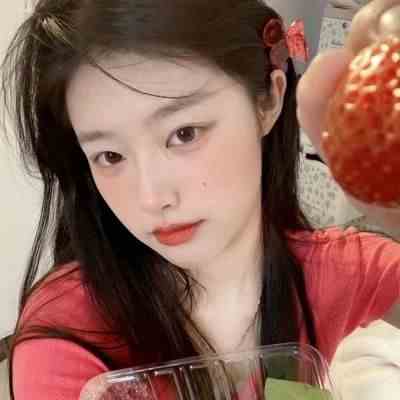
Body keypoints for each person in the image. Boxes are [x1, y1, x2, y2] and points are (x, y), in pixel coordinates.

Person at [1, 0, 400, 399]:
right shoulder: (68, 337)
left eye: (185, 133)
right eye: (110, 156)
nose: (152, 198)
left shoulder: (345, 272)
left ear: (268, 100)